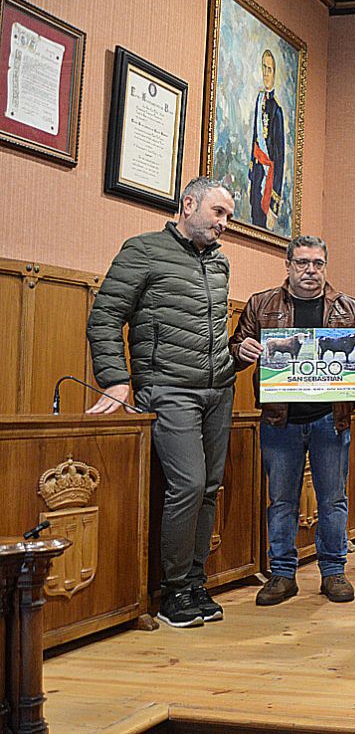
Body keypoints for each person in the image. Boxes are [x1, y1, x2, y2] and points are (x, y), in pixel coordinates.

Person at [85, 177, 237, 628]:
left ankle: (194, 582)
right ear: (188, 204)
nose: (224, 225)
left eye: (227, 216)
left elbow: (206, 335)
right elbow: (106, 316)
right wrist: (115, 380)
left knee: (209, 488)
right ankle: (172, 592)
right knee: (188, 485)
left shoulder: (219, 264)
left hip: (218, 390)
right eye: (218, 213)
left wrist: (237, 357)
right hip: (168, 390)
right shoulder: (143, 250)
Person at [229, 236, 355, 606]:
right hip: (279, 420)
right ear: (288, 265)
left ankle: (334, 573)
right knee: (281, 500)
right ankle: (282, 575)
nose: (310, 270)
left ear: (325, 266)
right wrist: (243, 350)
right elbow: (234, 350)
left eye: (317, 263)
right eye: (302, 263)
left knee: (333, 501)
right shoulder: (260, 304)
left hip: (330, 420)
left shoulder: (348, 308)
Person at [250, 49, 285, 230]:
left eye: (269, 69)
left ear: (274, 73)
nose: (265, 72)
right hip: (257, 176)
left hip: (268, 183)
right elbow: (254, 141)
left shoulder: (277, 111)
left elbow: (279, 160)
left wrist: (273, 205)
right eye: (263, 67)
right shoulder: (258, 101)